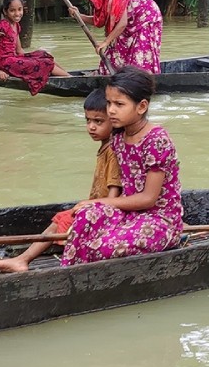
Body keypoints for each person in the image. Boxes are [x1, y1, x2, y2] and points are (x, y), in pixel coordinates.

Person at [0, 88, 122, 273]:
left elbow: (113, 194)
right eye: (88, 121)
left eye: (98, 122)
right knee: (59, 219)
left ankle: (23, 259)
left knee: (60, 221)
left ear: (114, 122)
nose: (91, 127)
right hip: (94, 207)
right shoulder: (106, 148)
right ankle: (23, 257)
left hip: (101, 211)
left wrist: (90, 209)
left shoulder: (113, 151)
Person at [62, 65, 183, 265]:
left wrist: (98, 202)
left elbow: (148, 199)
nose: (111, 110)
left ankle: (83, 271)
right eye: (109, 103)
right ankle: (68, 271)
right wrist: (94, 207)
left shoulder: (157, 140)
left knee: (104, 246)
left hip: (160, 220)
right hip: (129, 212)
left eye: (119, 104)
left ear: (141, 107)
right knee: (85, 216)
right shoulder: (118, 138)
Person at [0, 0, 70, 95]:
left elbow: (19, 50)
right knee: (44, 62)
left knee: (43, 55)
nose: (17, 14)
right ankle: (70, 78)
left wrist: (31, 59)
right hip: (4, 63)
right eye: (12, 10)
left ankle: (67, 76)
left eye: (19, 9)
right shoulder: (2, 26)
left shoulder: (16, 25)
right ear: (5, 11)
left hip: (13, 59)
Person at [75, 0, 163, 75]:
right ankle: (108, 73)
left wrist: (105, 42)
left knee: (138, 52)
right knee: (116, 45)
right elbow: (100, 21)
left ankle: (140, 77)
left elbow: (122, 24)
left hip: (145, 21)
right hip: (131, 23)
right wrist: (79, 16)